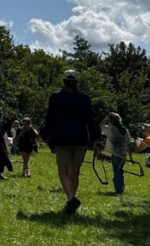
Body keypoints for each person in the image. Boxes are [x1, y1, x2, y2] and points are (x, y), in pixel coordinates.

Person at [40, 70, 100, 215]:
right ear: (76, 82)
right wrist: (95, 138)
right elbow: (90, 120)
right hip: (80, 139)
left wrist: (44, 133)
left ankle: (70, 197)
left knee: (62, 170)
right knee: (75, 171)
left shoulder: (55, 97)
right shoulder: (84, 98)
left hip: (61, 138)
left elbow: (49, 117)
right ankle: (71, 203)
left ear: (64, 81)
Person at [100, 112, 132, 194]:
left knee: (116, 170)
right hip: (123, 154)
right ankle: (121, 187)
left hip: (115, 153)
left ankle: (119, 189)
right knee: (120, 170)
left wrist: (105, 119)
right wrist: (131, 157)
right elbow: (129, 144)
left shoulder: (110, 128)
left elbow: (101, 126)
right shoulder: (125, 129)